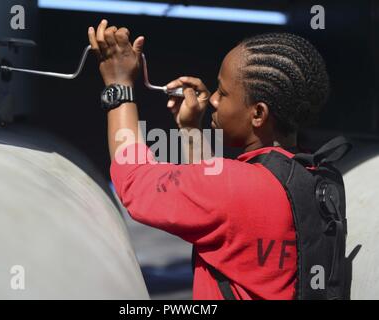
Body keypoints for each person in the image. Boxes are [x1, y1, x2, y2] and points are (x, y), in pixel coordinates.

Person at [87, 19, 330, 300]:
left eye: (223, 92)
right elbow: (217, 203)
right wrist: (191, 130)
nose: (213, 99)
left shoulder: (231, 187)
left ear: (258, 114)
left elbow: (132, 179)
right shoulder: (313, 177)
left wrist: (118, 87)